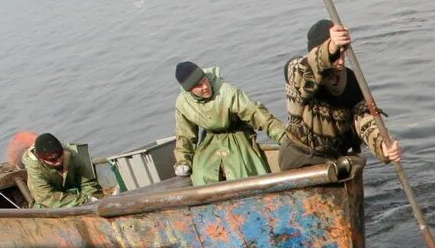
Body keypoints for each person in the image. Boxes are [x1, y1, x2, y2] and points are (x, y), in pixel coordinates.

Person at [279, 19, 403, 171]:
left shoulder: (352, 80)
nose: (340, 60)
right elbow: (304, 68)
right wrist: (330, 48)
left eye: (343, 52)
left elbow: (365, 120)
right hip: (300, 161)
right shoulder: (297, 72)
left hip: (335, 161)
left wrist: (383, 144)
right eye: (336, 53)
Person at [172, 61, 287, 185]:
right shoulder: (183, 103)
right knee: (201, 174)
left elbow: (257, 115)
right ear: (190, 90)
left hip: (236, 136)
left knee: (241, 174)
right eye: (198, 86)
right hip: (210, 141)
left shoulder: (226, 91)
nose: (205, 86)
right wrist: (183, 161)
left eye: (204, 80)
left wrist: (284, 138)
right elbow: (184, 135)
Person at [22, 133, 102, 208]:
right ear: (41, 159)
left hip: (74, 194)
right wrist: (85, 201)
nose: (58, 161)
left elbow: (87, 181)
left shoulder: (70, 153)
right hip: (46, 204)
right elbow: (47, 198)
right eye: (52, 160)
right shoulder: (34, 167)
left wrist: (92, 198)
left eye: (60, 155)